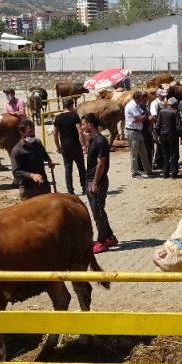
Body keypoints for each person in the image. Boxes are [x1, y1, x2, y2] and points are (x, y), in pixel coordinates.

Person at [81, 113, 117, 254]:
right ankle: (110, 236)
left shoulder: (101, 141)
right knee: (99, 211)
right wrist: (81, 134)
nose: (82, 127)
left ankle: (101, 241)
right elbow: (83, 144)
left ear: (90, 124)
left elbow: (101, 163)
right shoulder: (92, 140)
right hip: (91, 179)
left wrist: (95, 183)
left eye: (84, 124)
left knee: (98, 213)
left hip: (97, 181)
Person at [11, 120, 55, 201]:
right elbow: (16, 172)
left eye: (33, 130)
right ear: (22, 133)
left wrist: (50, 161)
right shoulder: (16, 151)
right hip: (28, 190)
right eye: (30, 132)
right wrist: (31, 175)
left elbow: (45, 155)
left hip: (43, 185)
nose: (33, 134)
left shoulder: (38, 143)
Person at [53, 98, 85, 195]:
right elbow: (80, 131)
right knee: (81, 168)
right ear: (71, 105)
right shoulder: (74, 116)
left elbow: (55, 134)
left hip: (65, 147)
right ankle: (84, 187)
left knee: (68, 169)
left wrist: (58, 147)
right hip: (75, 145)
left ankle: (70, 190)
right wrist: (83, 145)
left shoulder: (58, 118)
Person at [124, 91, 152, 178]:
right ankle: (134, 172)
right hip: (132, 131)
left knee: (144, 152)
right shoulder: (131, 106)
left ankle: (148, 170)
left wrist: (142, 117)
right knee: (134, 153)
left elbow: (142, 116)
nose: (142, 100)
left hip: (138, 131)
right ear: (138, 98)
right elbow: (139, 118)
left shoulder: (136, 106)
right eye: (141, 98)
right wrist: (143, 117)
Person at [158, 97, 181, 178]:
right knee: (174, 154)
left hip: (163, 135)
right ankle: (174, 173)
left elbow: (158, 125)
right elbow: (178, 126)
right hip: (173, 135)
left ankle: (165, 173)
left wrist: (158, 135)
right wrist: (181, 136)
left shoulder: (161, 111)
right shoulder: (176, 112)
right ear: (175, 105)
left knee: (165, 155)